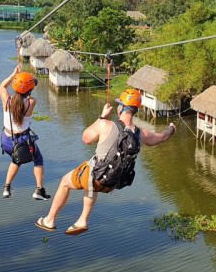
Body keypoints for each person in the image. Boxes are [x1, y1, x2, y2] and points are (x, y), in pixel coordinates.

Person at [35, 89, 175, 235]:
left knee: (66, 181)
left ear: (121, 107)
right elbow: (161, 137)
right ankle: (82, 220)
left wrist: (101, 117)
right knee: (93, 182)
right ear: (135, 111)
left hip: (96, 175)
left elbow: (86, 139)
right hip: (113, 182)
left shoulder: (106, 124)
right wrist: (171, 128)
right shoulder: (141, 134)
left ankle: (49, 220)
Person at [0, 64, 50, 200]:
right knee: (38, 160)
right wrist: (24, 80)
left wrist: (13, 75)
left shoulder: (7, 101)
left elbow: (2, 86)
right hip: (22, 141)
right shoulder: (31, 102)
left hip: (6, 141)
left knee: (16, 159)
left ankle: (6, 188)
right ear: (29, 90)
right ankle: (39, 190)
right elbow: (31, 87)